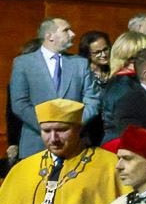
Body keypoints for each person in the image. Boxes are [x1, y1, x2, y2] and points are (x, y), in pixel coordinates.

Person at [10, 18, 93, 157]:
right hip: (35, 144)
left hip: (75, 144)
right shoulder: (23, 63)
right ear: (49, 35)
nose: (72, 34)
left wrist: (73, 125)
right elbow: (19, 103)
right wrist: (48, 128)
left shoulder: (80, 64)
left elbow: (92, 99)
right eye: (66, 30)